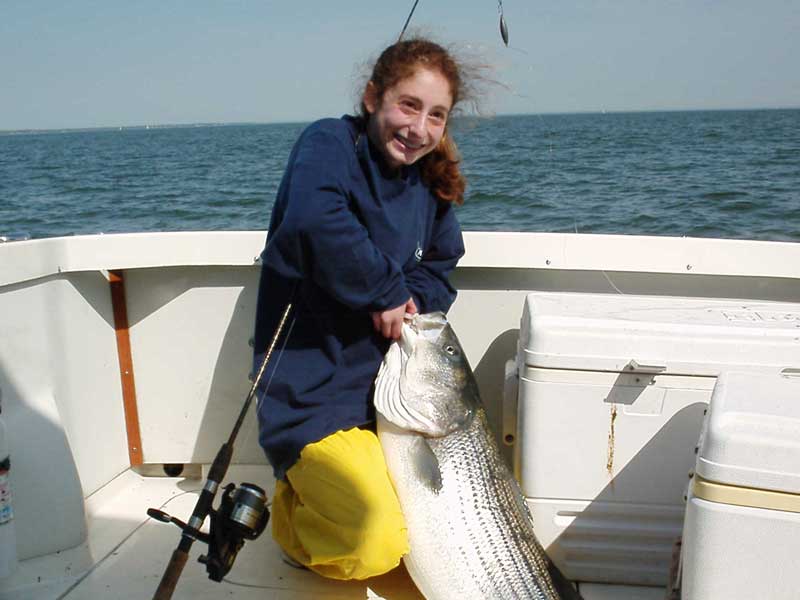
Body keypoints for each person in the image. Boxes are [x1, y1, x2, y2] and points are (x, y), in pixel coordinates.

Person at [252, 37, 470, 581]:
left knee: (438, 539)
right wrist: (385, 292)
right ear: (373, 97)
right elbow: (313, 218)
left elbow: (441, 264)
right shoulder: (328, 142)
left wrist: (412, 298)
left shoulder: (429, 185)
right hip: (316, 397)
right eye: (408, 105)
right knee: (374, 546)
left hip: (392, 399)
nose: (418, 128)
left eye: (436, 115)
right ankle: (292, 514)